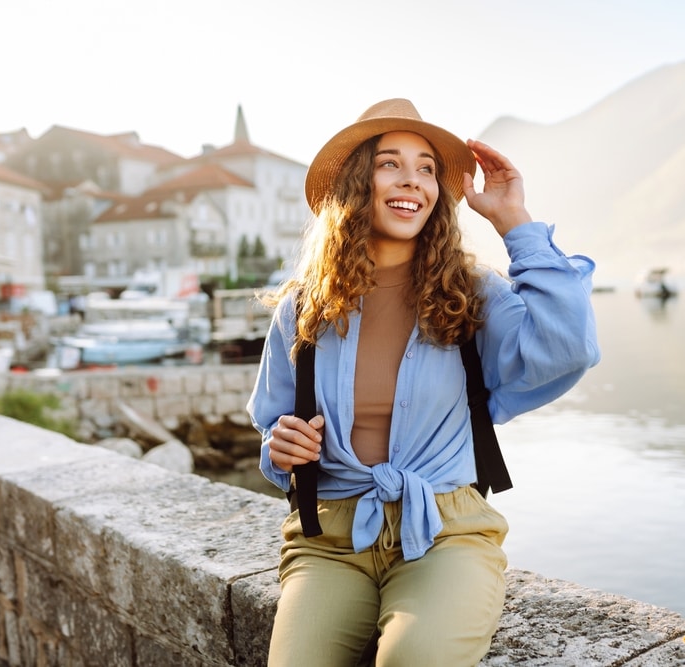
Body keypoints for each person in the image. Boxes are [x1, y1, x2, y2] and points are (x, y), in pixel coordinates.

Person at [247, 99, 600, 666]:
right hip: (329, 539)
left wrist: (516, 223)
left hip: (447, 532)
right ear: (358, 183)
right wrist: (280, 447)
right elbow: (271, 428)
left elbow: (568, 347)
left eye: (427, 167)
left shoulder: (471, 292)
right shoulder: (302, 309)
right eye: (390, 163)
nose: (412, 178)